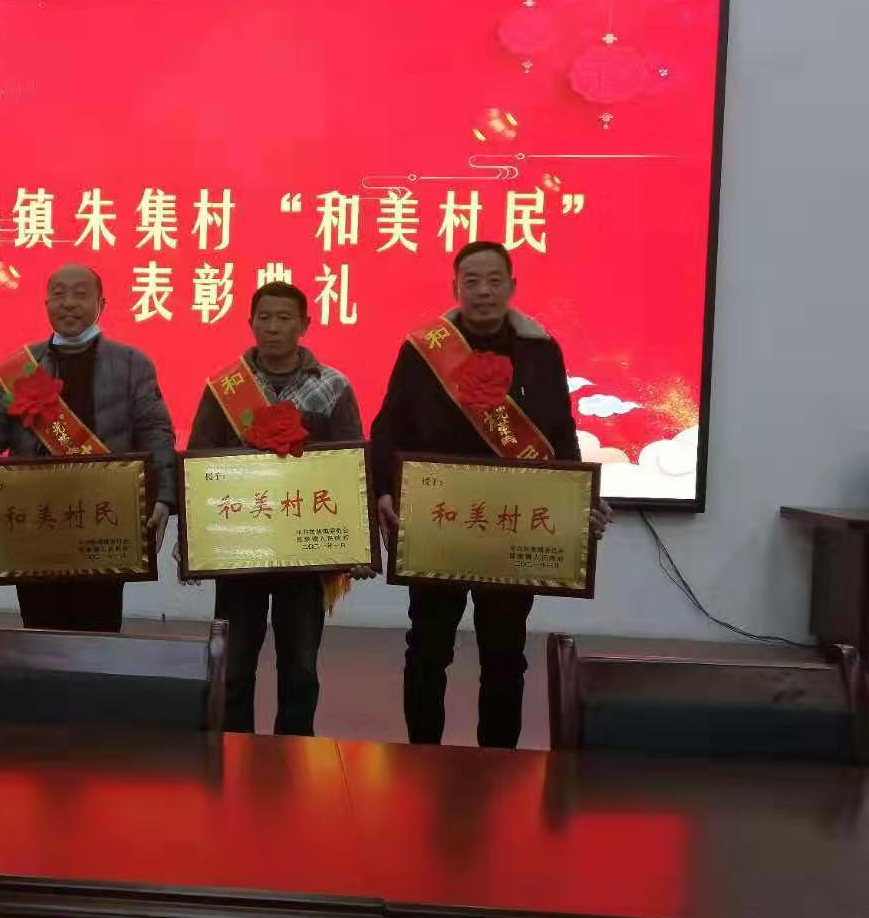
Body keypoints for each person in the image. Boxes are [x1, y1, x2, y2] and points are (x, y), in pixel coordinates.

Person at [369, 241, 611, 748]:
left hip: (511, 527)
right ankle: (423, 754)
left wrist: (582, 498)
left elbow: (560, 432)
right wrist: (384, 492)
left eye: (494, 280)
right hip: (437, 522)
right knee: (428, 649)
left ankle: (499, 760)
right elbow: (390, 426)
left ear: (512, 286)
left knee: (505, 654)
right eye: (472, 280)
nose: (483, 291)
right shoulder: (423, 350)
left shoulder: (541, 351)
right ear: (455, 287)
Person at [0, 264, 176, 632]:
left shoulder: (132, 364)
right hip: (36, 522)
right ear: (46, 303)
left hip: (104, 519)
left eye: (80, 294)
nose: (69, 303)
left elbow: (156, 434)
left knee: (99, 632)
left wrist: (163, 497)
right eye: (59, 294)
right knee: (39, 629)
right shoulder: (21, 368)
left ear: (101, 304)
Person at [186, 281, 370, 736]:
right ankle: (233, 752)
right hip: (240, 552)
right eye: (264, 318)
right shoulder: (223, 388)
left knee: (300, 671)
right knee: (234, 670)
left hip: (304, 556)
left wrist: (358, 545)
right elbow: (199, 462)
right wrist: (192, 543)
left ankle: (294, 755)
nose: (272, 327)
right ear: (250, 323)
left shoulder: (332, 387)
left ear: (305, 324)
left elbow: (351, 470)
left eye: (284, 318)